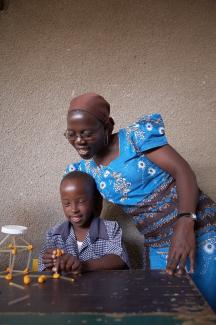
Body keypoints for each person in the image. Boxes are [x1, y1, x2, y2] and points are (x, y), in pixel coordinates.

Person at [64, 92, 216, 310]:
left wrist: (185, 223)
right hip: (159, 244)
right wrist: (69, 255)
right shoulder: (84, 170)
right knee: (170, 312)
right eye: (71, 134)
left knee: (209, 306)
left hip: (199, 230)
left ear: (108, 127)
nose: (78, 141)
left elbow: (183, 172)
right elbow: (86, 215)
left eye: (86, 133)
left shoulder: (136, 139)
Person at [39, 171, 129, 274]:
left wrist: (83, 265)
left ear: (94, 200)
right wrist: (51, 263)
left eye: (81, 201)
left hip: (101, 289)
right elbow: (43, 266)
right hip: (67, 289)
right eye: (66, 204)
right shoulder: (55, 234)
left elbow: (120, 259)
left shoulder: (109, 229)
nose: (74, 209)